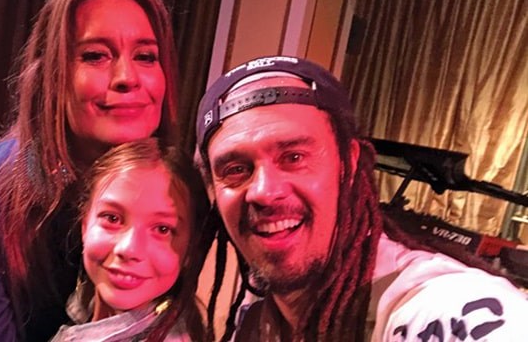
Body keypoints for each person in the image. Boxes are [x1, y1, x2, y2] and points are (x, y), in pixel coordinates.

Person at [195, 55, 528, 341]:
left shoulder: (436, 305)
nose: (264, 191)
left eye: (294, 157)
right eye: (237, 169)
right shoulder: (258, 313)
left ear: (349, 163)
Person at [0, 0, 179, 341]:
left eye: (146, 56)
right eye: (96, 55)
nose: (127, 77)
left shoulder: (179, 190)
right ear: (51, 72)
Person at [50, 138, 214, 342]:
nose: (129, 248)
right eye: (112, 218)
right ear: (85, 223)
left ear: (191, 249)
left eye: (162, 229)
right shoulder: (82, 305)